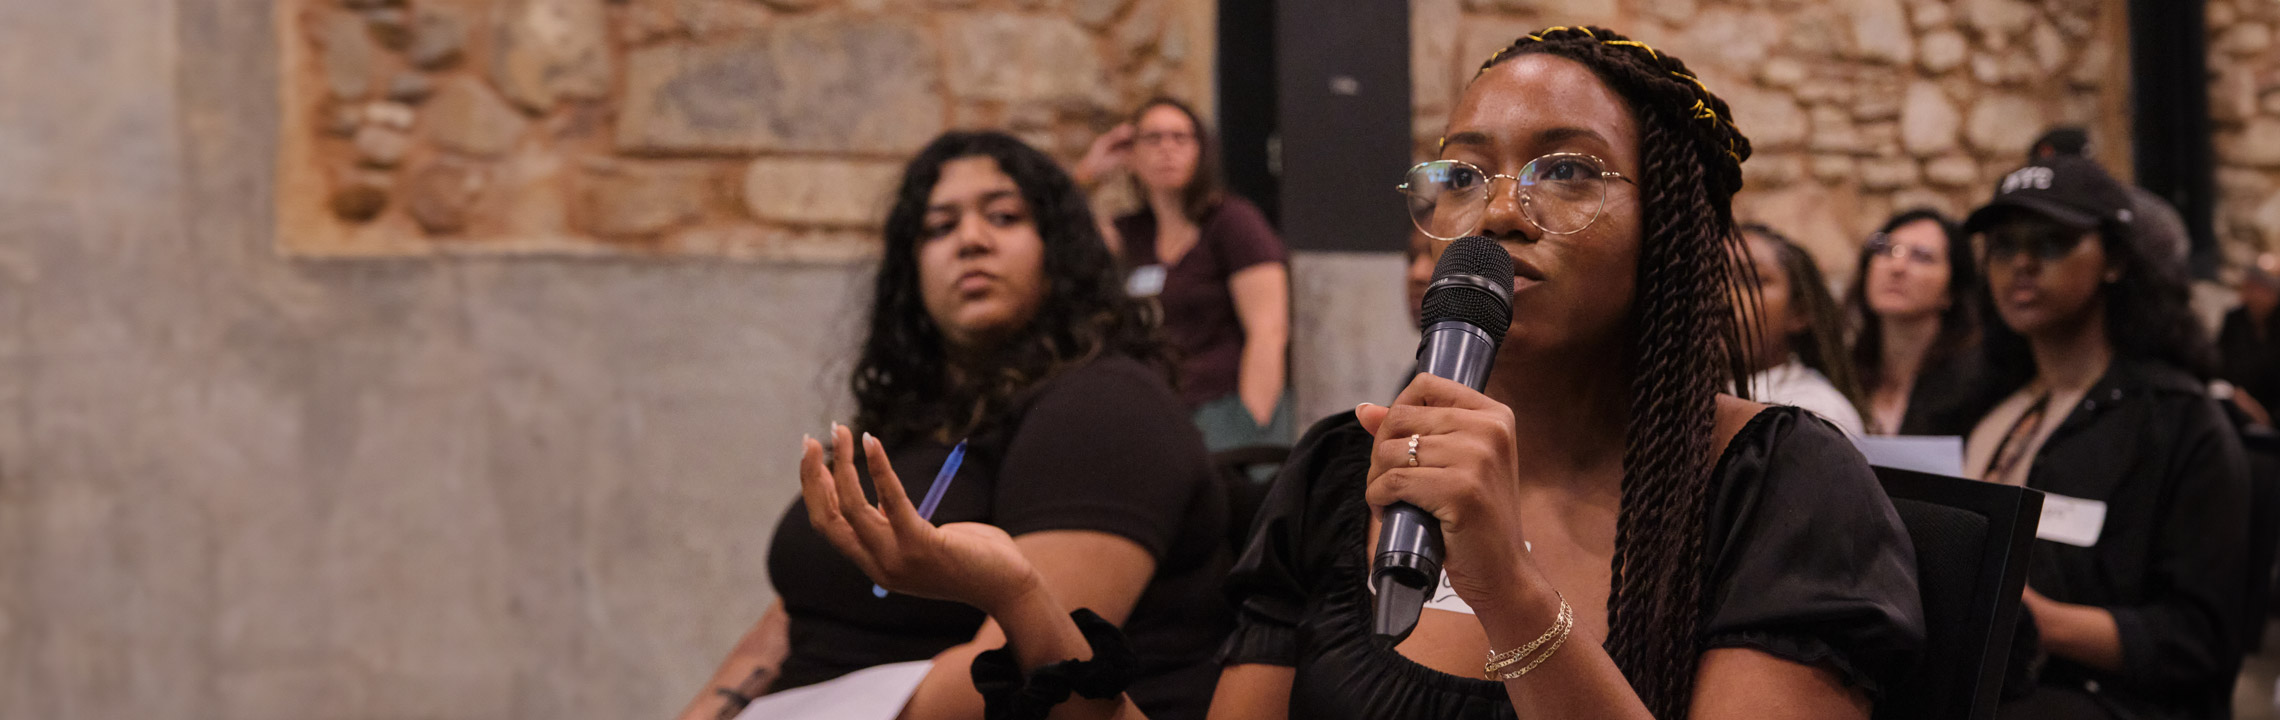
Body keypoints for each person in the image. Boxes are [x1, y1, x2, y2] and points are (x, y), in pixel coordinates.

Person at [800, 26, 1923, 720]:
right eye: (1462, 175)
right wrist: (1018, 596)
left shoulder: (1779, 486)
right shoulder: (1347, 469)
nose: (1499, 212)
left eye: (1567, 172)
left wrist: (1509, 587)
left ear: (1669, 231)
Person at [678, 131, 1231, 720]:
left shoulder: (1110, 407)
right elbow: (793, 617)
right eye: (939, 227)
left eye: (1004, 216)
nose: (971, 240)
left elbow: (1022, 674)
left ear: (1061, 247)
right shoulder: (914, 415)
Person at [1954, 154, 2252, 720]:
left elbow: (2202, 640)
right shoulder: (1985, 407)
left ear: (2114, 259)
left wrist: (2040, 622)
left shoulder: (2179, 422)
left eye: (2051, 242)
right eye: (2001, 245)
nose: (2021, 263)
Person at [1074, 98, 1293, 452]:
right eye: (1153, 138)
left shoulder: (1231, 222)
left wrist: (1251, 429)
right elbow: (1059, 236)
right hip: (1154, 409)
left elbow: (1268, 331)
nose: (1167, 149)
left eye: (1180, 138)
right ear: (1131, 154)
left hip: (1224, 408)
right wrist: (1086, 174)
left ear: (1200, 150)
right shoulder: (1132, 231)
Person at [1844, 209, 1983, 435]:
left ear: (1952, 290)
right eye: (1887, 250)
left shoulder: (1974, 383)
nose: (1897, 267)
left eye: (1922, 256)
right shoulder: (1845, 369)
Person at [1736, 224, 1867, 435]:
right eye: (1711, 278)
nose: (1723, 294)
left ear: (1799, 311)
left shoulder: (1813, 412)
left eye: (1751, 280)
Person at [2218, 252, 2280, 427]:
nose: (2252, 292)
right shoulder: (2235, 318)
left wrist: (2266, 417)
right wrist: (2237, 395)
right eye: (2250, 284)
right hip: (2236, 408)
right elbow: (2218, 363)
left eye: (2262, 286)